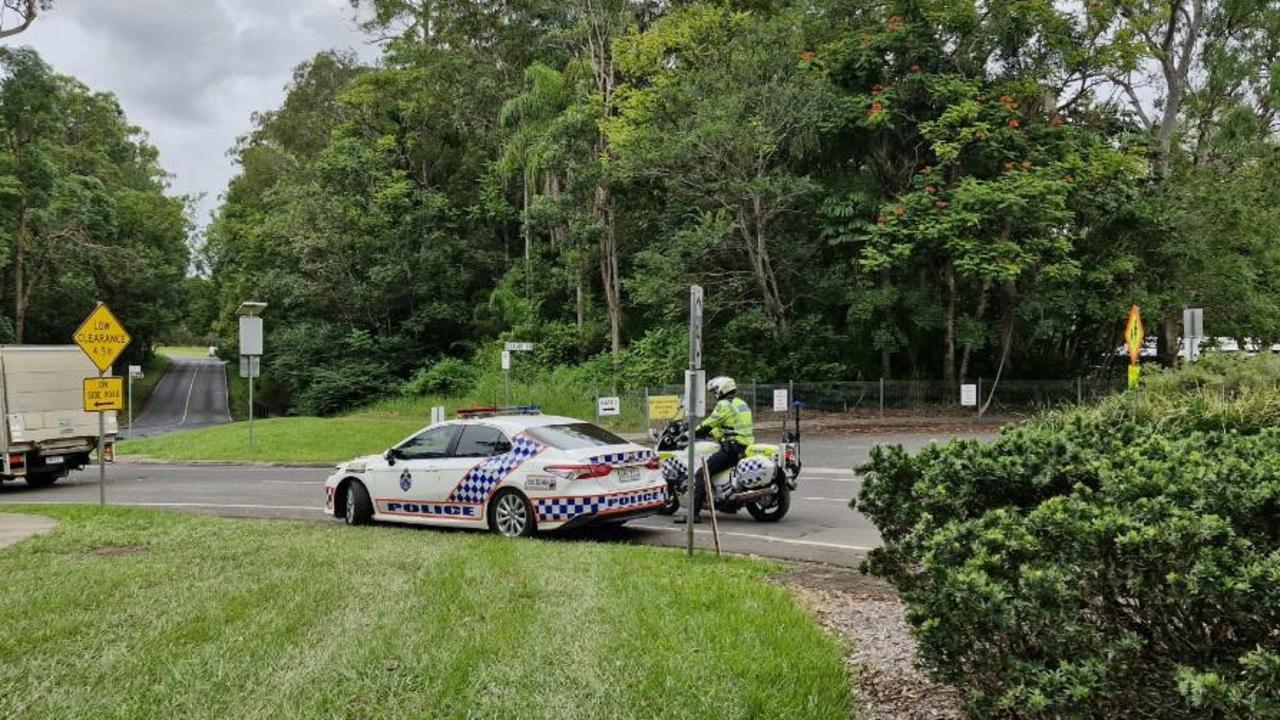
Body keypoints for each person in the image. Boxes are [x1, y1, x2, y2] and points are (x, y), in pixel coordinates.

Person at [674, 376, 754, 524]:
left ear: (721, 389)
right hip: (744, 448)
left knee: (700, 474)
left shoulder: (724, 405)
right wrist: (712, 433)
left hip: (731, 450)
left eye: (715, 391)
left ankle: (693, 515)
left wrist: (691, 433)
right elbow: (728, 426)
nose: (714, 394)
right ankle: (726, 503)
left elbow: (709, 423)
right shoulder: (741, 404)